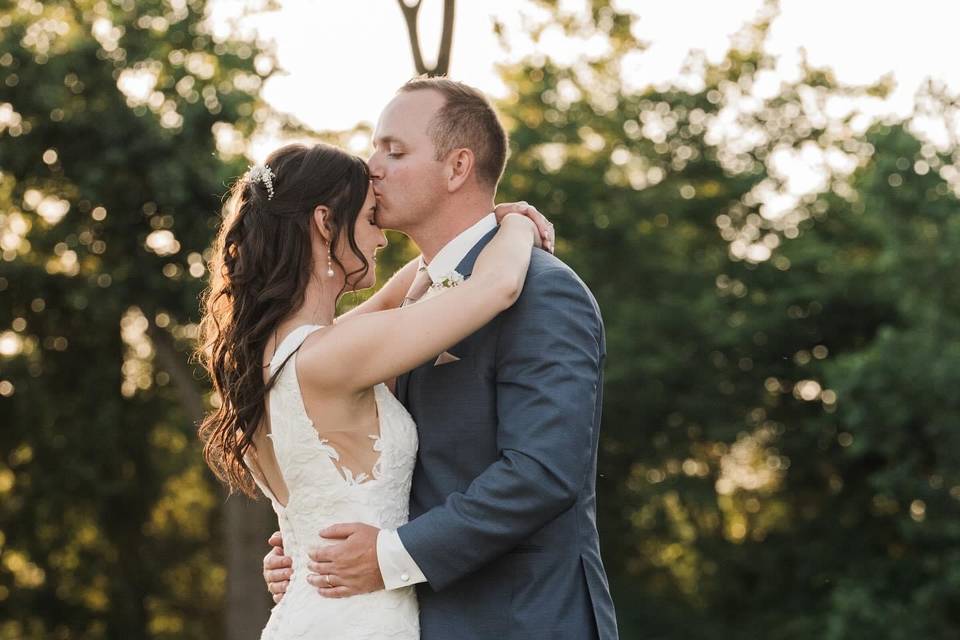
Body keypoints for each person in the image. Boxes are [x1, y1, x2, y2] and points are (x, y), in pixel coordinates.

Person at [263, 78, 619, 639]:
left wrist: (388, 555)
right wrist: (312, 544)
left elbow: (542, 473)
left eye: (394, 151)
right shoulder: (408, 304)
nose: (371, 167)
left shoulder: (544, 290)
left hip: (514, 621)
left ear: (457, 168)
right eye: (374, 147)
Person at [197, 140, 548, 639]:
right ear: (324, 222)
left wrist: (481, 227)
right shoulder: (332, 354)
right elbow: (497, 288)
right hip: (357, 621)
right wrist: (517, 223)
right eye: (368, 220)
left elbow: (393, 298)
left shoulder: (274, 359)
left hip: (307, 612)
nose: (381, 239)